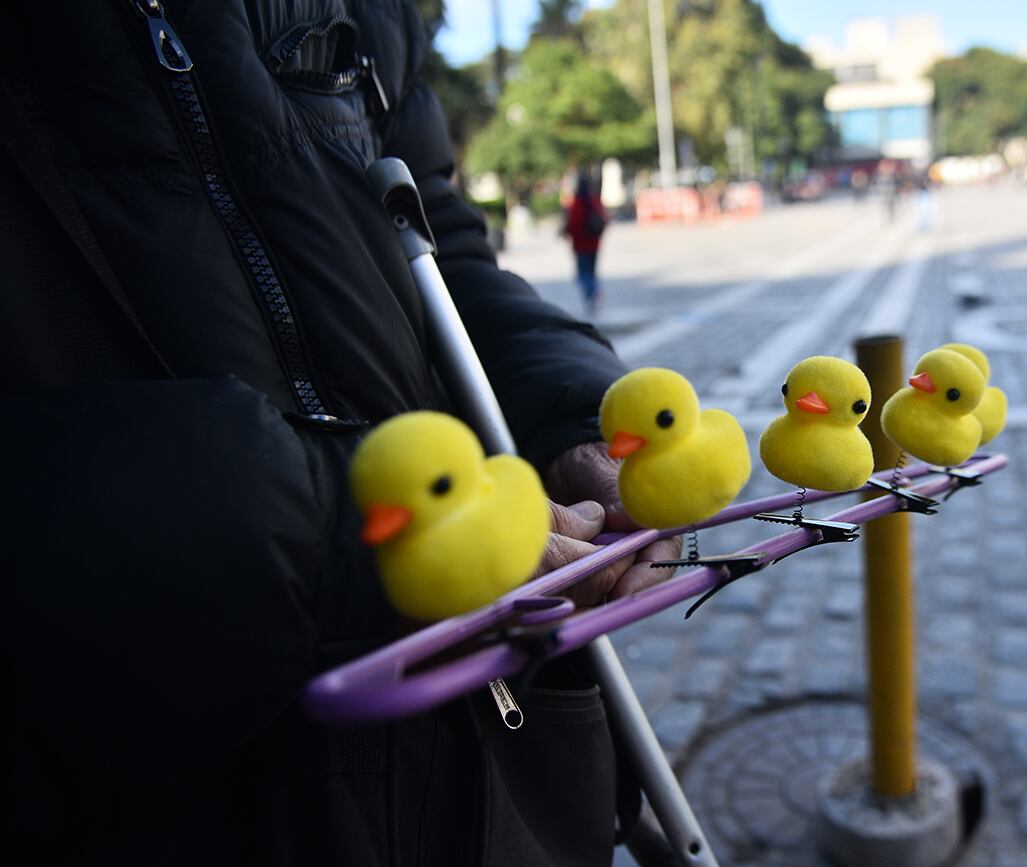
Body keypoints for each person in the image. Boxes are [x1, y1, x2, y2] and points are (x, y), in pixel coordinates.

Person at [1, 2, 677, 864]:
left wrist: (577, 416)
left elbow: (438, 240)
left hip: (468, 752)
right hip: (130, 768)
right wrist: (327, 530)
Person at [564, 171, 607, 317]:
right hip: (594, 243)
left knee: (582, 273)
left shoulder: (576, 202)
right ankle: (593, 293)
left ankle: (592, 292)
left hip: (580, 244)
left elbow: (573, 224)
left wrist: (566, 232)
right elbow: (603, 219)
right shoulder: (594, 200)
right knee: (591, 271)